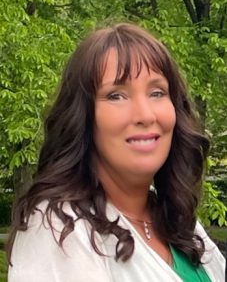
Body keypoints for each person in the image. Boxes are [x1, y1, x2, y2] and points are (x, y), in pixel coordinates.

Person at [7, 23, 225, 282]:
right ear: (83, 118)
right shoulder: (59, 229)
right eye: (116, 96)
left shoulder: (179, 224)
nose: (145, 114)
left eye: (157, 92)